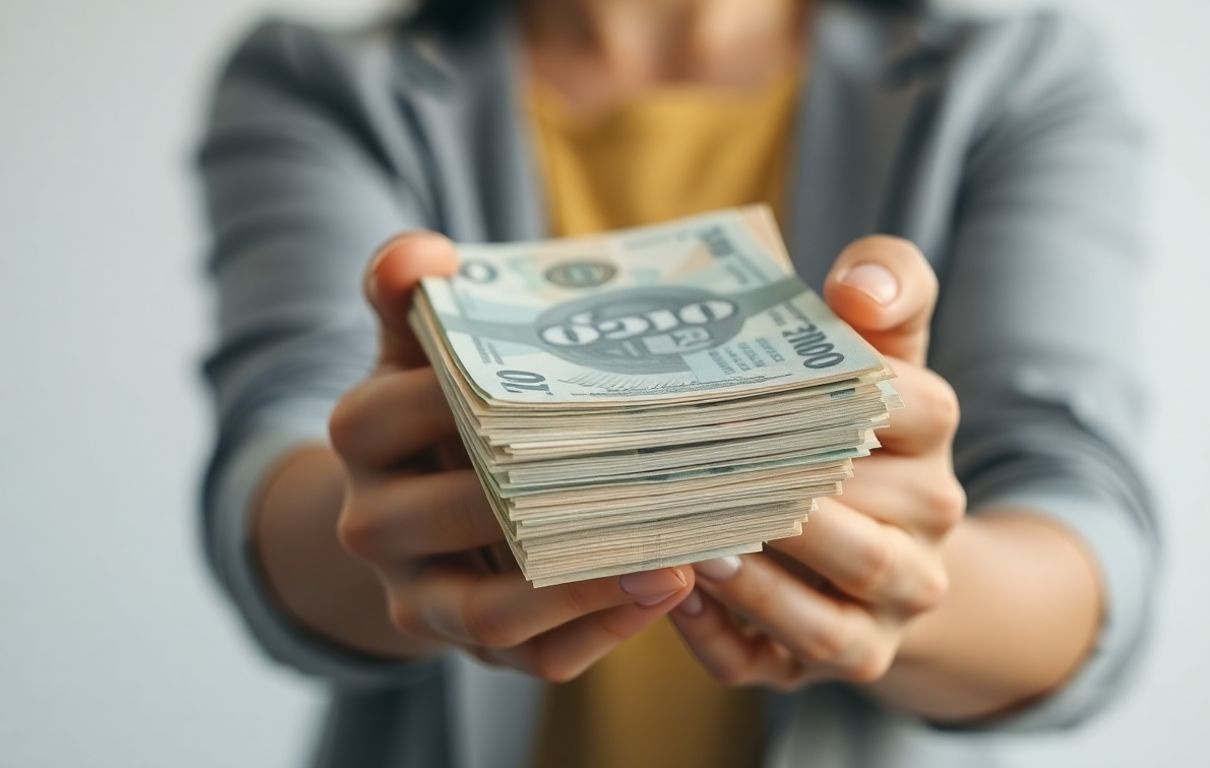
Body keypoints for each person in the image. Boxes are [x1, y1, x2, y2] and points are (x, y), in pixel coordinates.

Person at [197, 0, 1158, 766]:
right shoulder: (318, 84)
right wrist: (392, 531)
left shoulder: (1017, 79)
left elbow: (1081, 526)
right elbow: (276, 454)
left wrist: (901, 591)